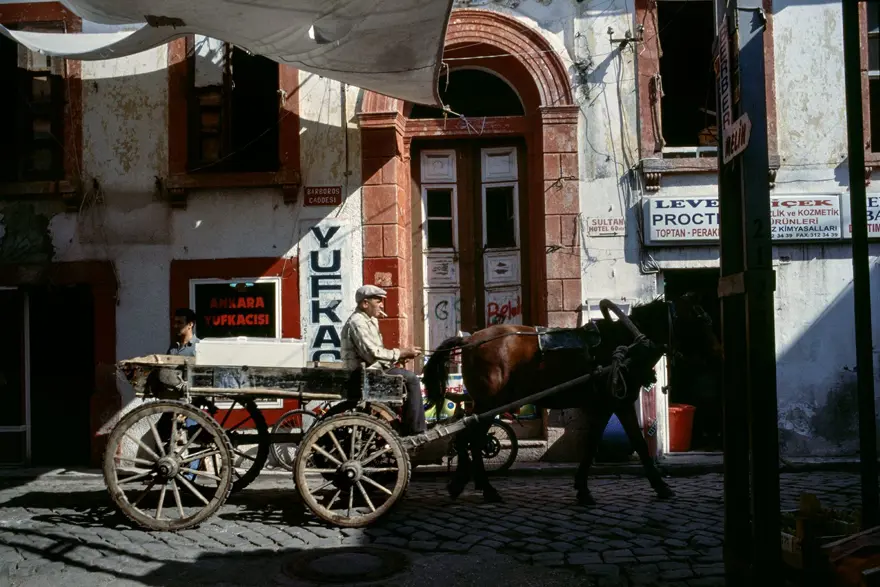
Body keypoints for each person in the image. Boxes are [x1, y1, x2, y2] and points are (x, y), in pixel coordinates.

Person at [341, 285, 426, 436]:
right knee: (411, 379)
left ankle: (408, 424)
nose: (381, 305)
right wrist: (401, 352)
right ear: (365, 303)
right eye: (378, 301)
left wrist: (400, 356)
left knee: (407, 377)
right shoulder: (357, 322)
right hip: (364, 373)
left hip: (371, 370)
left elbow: (376, 353)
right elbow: (373, 353)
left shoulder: (369, 320)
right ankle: (415, 430)